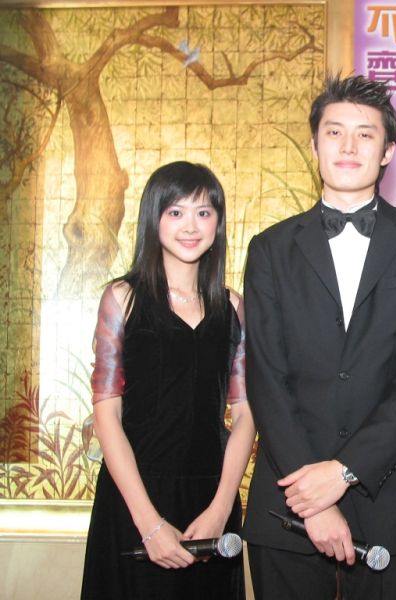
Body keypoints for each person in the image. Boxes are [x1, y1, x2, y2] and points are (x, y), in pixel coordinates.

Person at [242, 74, 396, 599]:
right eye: (334, 132)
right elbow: (266, 378)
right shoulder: (269, 248)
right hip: (287, 499)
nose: (348, 146)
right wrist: (311, 495)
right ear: (314, 145)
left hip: (389, 500)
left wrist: (342, 473)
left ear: (388, 151)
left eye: (365, 135)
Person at [81, 161, 256, 599]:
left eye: (203, 212)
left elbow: (246, 415)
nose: (190, 226)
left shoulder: (233, 308)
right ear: (153, 219)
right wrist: (149, 523)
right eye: (175, 212)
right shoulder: (123, 299)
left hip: (211, 500)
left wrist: (221, 509)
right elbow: (107, 415)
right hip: (134, 498)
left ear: (218, 222)